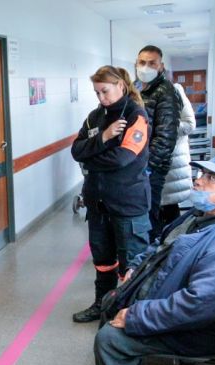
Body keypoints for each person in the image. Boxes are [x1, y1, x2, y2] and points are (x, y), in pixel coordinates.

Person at [94, 151, 215, 365]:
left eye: (210, 177)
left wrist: (137, 316)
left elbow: (199, 305)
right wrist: (136, 267)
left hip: (198, 331)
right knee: (110, 303)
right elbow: (162, 241)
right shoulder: (201, 215)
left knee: (110, 339)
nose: (198, 180)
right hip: (172, 300)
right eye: (202, 173)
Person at [71, 65, 151, 323]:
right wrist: (104, 136)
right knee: (103, 261)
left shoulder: (136, 116)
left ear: (121, 86)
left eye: (104, 91)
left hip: (128, 205)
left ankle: (126, 315)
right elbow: (76, 150)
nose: (101, 98)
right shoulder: (94, 118)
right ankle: (102, 306)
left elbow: (123, 158)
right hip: (98, 203)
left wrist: (90, 159)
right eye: (97, 93)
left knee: (130, 265)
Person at [135, 45, 182, 241]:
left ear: (161, 66)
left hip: (150, 168)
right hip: (135, 164)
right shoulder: (136, 88)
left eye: (152, 63)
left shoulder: (166, 92)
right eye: (142, 63)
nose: (146, 67)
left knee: (148, 215)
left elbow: (165, 138)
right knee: (138, 214)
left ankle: (150, 258)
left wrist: (146, 168)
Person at [159, 83, 196, 226]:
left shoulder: (174, 90)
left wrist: (161, 126)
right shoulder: (136, 93)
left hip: (173, 163)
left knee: (170, 212)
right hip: (148, 166)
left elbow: (189, 125)